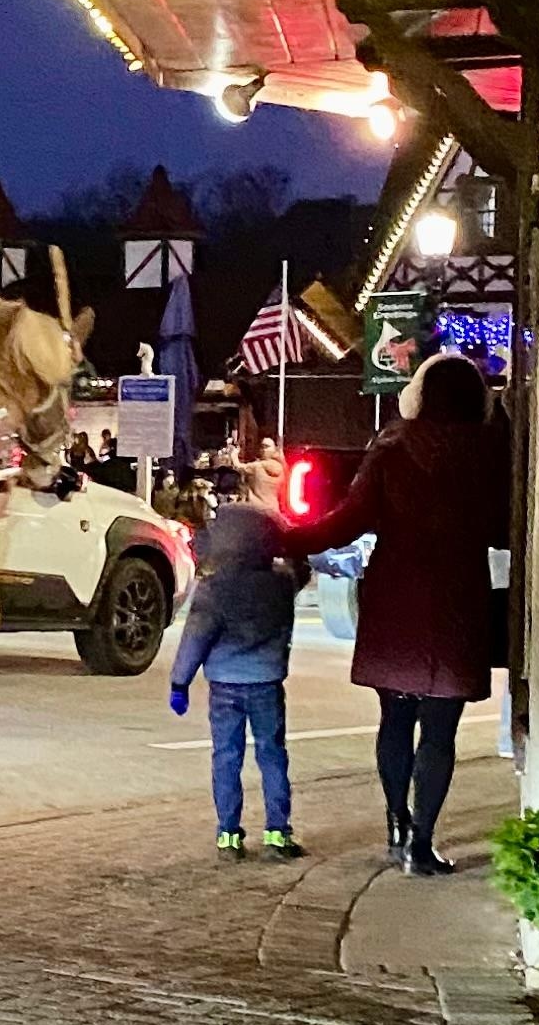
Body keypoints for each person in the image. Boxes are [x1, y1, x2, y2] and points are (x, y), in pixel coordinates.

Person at [287, 350, 510, 875]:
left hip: (395, 600)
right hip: (458, 602)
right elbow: (505, 529)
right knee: (440, 732)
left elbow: (347, 523)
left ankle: (396, 822)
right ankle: (423, 845)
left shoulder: (390, 448)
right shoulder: (489, 454)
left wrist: (282, 537)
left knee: (394, 721)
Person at [168, 471, 307, 859]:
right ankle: (278, 833)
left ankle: (229, 834)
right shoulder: (280, 584)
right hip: (266, 683)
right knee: (272, 755)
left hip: (224, 686)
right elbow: (300, 568)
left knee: (226, 757)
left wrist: (180, 683)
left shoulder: (216, 588)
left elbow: (197, 635)